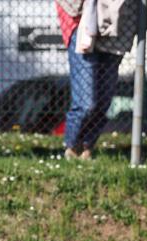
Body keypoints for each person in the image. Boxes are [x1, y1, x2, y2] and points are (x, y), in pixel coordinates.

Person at [56, 0, 141, 159]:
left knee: (103, 101)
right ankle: (72, 146)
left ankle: (87, 147)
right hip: (83, 24)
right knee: (87, 103)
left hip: (118, 25)